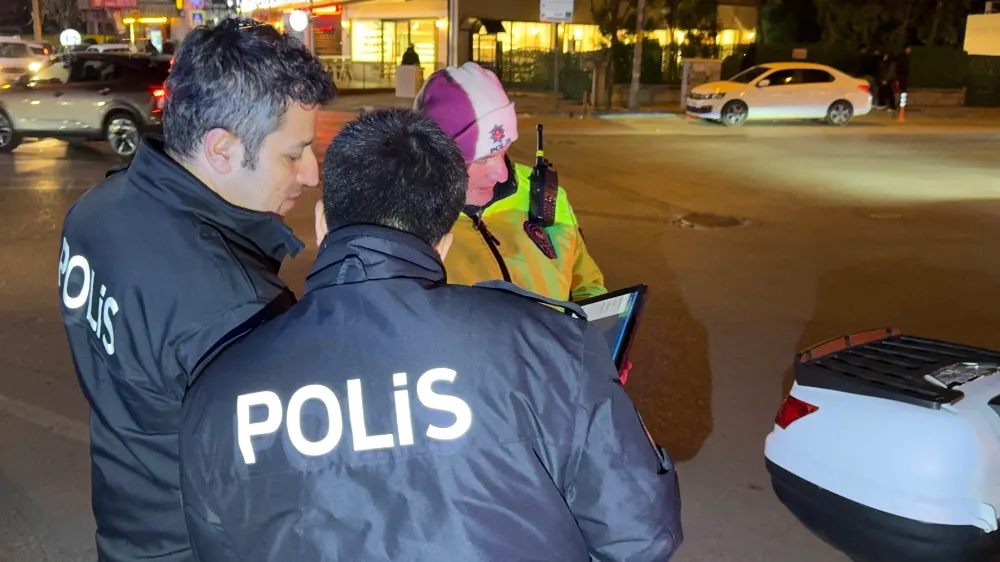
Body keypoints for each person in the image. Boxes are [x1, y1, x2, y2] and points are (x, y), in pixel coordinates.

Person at [178, 108, 683, 562]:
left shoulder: (219, 392)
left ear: (322, 222)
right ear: (443, 242)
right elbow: (641, 535)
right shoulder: (549, 348)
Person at [57, 18, 334, 561]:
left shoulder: (96, 211)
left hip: (127, 525)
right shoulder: (239, 307)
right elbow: (291, 484)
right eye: (294, 153)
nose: (311, 174)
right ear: (222, 149)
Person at [412, 62, 632, 380]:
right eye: (483, 158)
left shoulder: (545, 196)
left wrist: (601, 347)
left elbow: (586, 287)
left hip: (560, 388)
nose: (502, 172)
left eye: (504, 151)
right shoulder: (407, 222)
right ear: (436, 159)